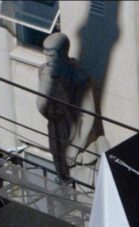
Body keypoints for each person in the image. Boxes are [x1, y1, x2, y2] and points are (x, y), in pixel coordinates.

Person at [37, 33, 92, 181]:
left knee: (72, 168)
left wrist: (75, 146)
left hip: (71, 128)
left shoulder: (78, 77)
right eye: (45, 55)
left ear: (62, 54)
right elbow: (42, 101)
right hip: (53, 124)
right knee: (58, 162)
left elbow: (87, 115)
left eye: (51, 56)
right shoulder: (44, 72)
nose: (47, 61)